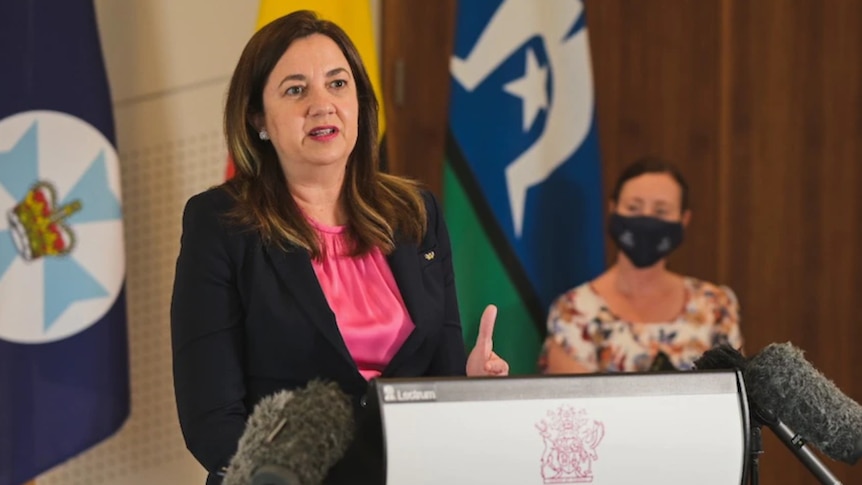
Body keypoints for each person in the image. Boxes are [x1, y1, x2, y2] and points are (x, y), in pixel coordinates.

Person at [169, 10, 508, 485]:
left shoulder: (415, 213)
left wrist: (467, 386)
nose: (322, 105)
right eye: (295, 89)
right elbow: (211, 420)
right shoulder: (221, 224)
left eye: (337, 83)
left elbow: (438, 380)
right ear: (258, 118)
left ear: (360, 103)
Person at [539, 157, 743, 374]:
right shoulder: (574, 310)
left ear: (684, 219)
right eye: (634, 208)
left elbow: (734, 396)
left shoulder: (715, 307)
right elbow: (571, 403)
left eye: (661, 211)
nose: (646, 219)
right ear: (613, 208)